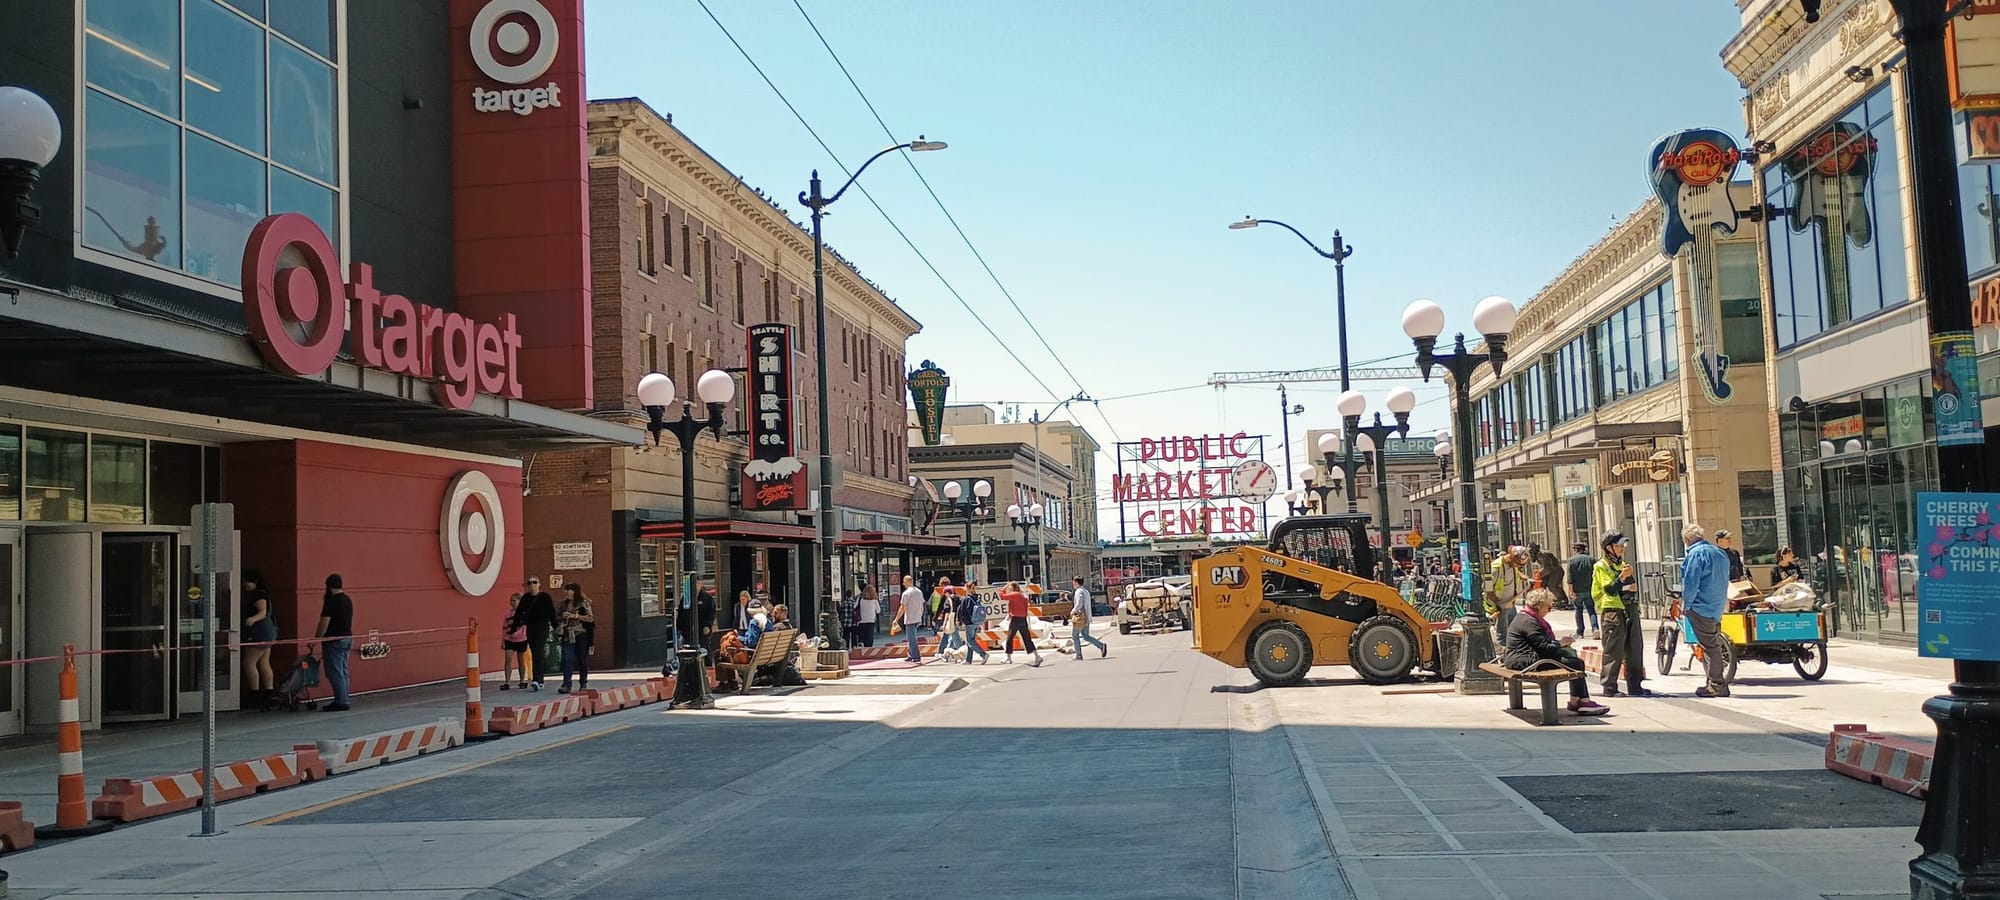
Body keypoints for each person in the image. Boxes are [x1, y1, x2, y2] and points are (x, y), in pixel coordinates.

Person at [1502, 588, 1608, 716]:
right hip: (1524, 661)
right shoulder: (1529, 622)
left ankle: (1578, 701)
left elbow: (1540, 644)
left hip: (1521, 658)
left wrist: (1559, 645)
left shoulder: (1526, 617)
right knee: (1575, 663)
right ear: (1539, 606)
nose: (1549, 610)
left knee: (1572, 661)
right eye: (1548, 607)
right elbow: (1544, 648)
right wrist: (1560, 644)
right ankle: (1581, 701)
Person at [1591, 533, 1651, 697]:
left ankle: (1635, 685)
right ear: (1608, 548)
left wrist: (1629, 584)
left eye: (1623, 545)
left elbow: (1629, 586)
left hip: (1629, 608)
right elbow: (1609, 589)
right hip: (1612, 611)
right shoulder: (1601, 566)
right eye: (1618, 545)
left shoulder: (1622, 564)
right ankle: (1609, 687)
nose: (1622, 548)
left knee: (1635, 647)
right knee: (1614, 650)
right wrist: (1622, 578)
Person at [1680, 525, 1735, 698]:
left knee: (1710, 647)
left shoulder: (1696, 554)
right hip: (1716, 605)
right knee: (1712, 643)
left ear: (1687, 539)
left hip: (1700, 606)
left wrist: (1686, 605)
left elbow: (1691, 583)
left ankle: (1717, 684)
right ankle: (1713, 682)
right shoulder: (1719, 553)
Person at [315, 574, 354, 711]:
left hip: (334, 640)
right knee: (343, 671)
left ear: (329, 586)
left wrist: (316, 639)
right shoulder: (347, 600)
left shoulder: (331, 601)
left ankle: (341, 701)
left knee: (334, 672)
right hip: (347, 638)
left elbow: (324, 622)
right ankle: (345, 698)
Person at [241, 570, 277, 707]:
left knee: (249, 663)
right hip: (268, 634)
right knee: (264, 663)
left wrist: (251, 619)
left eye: (247, 581)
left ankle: (254, 694)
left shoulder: (258, 596)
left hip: (257, 634)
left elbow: (262, 611)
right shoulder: (264, 594)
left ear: (255, 581)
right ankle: (269, 692)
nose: (244, 584)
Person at [1486, 546, 1532, 636]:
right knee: (1502, 635)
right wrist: (1498, 604)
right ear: (1510, 557)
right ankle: (1502, 649)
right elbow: (1487, 589)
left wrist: (1527, 579)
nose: (1518, 566)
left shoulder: (1512, 565)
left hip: (1511, 605)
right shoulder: (1496, 568)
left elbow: (1518, 574)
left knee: (1513, 633)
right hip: (1501, 607)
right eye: (1517, 563)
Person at [557, 582, 594, 694]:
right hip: (568, 634)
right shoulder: (564, 604)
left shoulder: (583, 603)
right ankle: (566, 684)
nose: (566, 592)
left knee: (582, 659)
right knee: (567, 659)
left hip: (581, 634)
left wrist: (575, 616)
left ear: (574, 591)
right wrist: (562, 617)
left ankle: (583, 683)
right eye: (566, 590)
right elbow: (557, 616)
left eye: (569, 590)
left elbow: (590, 618)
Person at [521, 577, 557, 691]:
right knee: (534, 651)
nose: (532, 585)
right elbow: (519, 612)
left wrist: (556, 628)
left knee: (538, 651)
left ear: (539, 584)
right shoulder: (526, 598)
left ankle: (536, 679)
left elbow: (552, 613)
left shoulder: (545, 597)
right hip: (531, 628)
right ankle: (540, 679)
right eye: (529, 583)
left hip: (542, 627)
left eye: (534, 582)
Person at [999, 581, 1044, 667]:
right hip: (1023, 618)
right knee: (1027, 638)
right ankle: (1037, 656)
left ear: (1013, 588)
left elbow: (1002, 596)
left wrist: (1003, 588)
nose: (1009, 590)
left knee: (1010, 637)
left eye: (1010, 588)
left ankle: (1008, 657)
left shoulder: (1015, 595)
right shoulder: (1023, 596)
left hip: (1015, 618)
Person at [1565, 542, 1600, 638]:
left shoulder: (1571, 561)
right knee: (1591, 610)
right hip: (1590, 589)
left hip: (1577, 590)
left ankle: (1580, 632)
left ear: (1576, 550)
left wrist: (1570, 591)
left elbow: (1570, 578)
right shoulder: (1592, 560)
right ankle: (1595, 628)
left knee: (1578, 610)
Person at [1070, 576, 1108, 659]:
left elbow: (1079, 604)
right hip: (1087, 617)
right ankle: (1101, 646)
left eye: (1073, 582)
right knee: (1086, 636)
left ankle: (1078, 655)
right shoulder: (1086, 591)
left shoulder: (1078, 592)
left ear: (1076, 582)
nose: (1073, 584)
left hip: (1080, 617)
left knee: (1075, 636)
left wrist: (1073, 611)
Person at [956, 581, 990, 665]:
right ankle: (968, 660)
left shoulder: (967, 598)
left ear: (967, 588)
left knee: (970, 641)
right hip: (976, 621)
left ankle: (983, 654)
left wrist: (960, 620)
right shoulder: (976, 598)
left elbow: (963, 610)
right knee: (971, 640)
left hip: (969, 622)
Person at [501, 593, 530, 690]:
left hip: (521, 639)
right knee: (507, 659)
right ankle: (507, 682)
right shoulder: (507, 614)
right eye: (511, 600)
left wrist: (516, 634)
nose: (512, 602)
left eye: (514, 600)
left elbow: (525, 627)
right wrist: (503, 641)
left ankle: (522, 681)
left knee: (520, 659)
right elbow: (504, 628)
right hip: (509, 639)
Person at [896, 575, 925, 663]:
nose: (903, 584)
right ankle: (910, 655)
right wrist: (921, 615)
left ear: (907, 582)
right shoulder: (919, 592)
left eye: (904, 582)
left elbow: (902, 607)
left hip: (910, 618)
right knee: (911, 637)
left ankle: (916, 656)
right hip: (917, 617)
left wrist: (896, 619)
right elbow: (922, 604)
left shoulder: (906, 593)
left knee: (911, 638)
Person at [855, 581, 881, 647]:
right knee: (869, 638)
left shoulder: (860, 598)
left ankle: (861, 650)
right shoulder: (874, 600)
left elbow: (854, 607)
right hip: (871, 621)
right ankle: (868, 649)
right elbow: (878, 611)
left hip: (861, 621)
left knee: (862, 638)